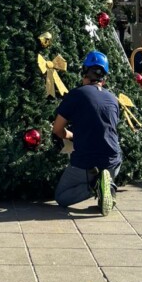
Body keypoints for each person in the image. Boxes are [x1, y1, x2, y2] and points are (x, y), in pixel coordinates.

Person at [52, 51, 120, 216]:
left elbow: (57, 129)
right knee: (112, 152)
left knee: (61, 197)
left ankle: (94, 185)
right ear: (105, 77)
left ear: (84, 72)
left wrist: (70, 136)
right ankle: (108, 185)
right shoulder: (113, 99)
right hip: (113, 161)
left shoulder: (76, 95)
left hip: (85, 162)